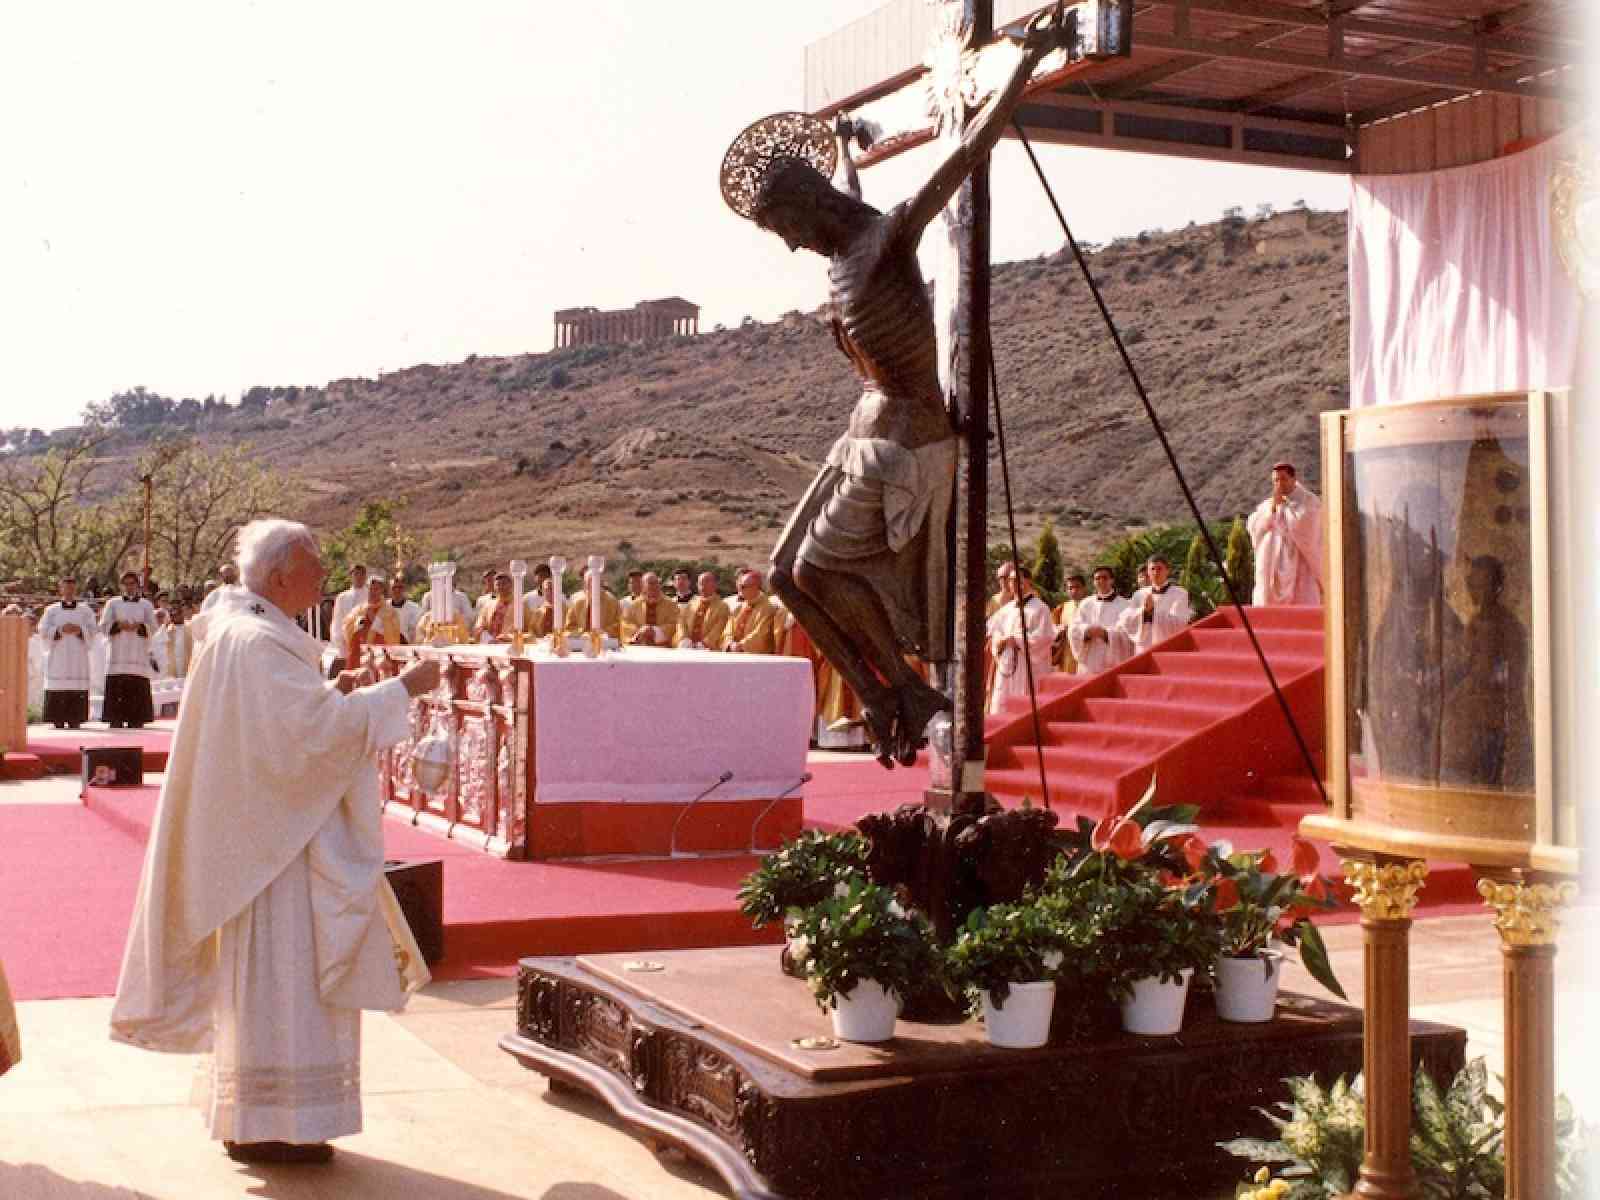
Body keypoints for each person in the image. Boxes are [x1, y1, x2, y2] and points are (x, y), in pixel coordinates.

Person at [736, 8, 1068, 767]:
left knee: (816, 570)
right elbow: (840, 200)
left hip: (906, 437)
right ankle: (889, 695)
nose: (787, 242)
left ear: (810, 205)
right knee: (786, 575)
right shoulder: (840, 254)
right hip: (865, 432)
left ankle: (900, 688)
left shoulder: (885, 238)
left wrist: (1023, 66)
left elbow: (969, 151)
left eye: (785, 223)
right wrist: (851, 151)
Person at [111, 518, 437, 1164]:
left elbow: (292, 727)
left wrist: (334, 694)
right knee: (287, 986)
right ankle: (278, 1124)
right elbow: (308, 738)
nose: (323, 574)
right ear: (282, 574)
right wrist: (402, 689)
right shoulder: (255, 642)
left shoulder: (247, 633)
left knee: (270, 991)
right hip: (276, 858)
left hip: (266, 837)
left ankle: (260, 1117)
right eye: (314, 563)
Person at [1247, 461, 1323, 606]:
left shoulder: (1309, 501)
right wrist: (1274, 508)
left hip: (1300, 559)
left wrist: (1286, 511)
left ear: (1293, 479)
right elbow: (1254, 525)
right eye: (1276, 480)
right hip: (1272, 560)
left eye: (1283, 479)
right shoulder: (1268, 504)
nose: (1279, 483)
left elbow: (1310, 525)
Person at [987, 565, 1055, 714]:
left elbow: (1045, 637)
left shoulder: (1041, 608)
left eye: (1018, 580)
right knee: (1002, 701)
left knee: (1026, 701)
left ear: (1028, 581)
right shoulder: (1005, 610)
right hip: (1007, 662)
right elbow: (995, 633)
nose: (1013, 584)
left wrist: (1017, 640)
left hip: (1028, 664)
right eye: (1011, 580)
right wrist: (1000, 642)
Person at [100, 570, 159, 729]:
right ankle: (115, 717)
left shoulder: (146, 605)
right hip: (118, 652)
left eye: (132, 583)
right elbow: (103, 625)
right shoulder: (112, 603)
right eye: (125, 584)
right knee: (117, 682)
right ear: (121, 586)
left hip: (137, 651)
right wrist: (118, 625)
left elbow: (154, 627)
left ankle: (137, 718)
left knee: (136, 682)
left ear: (137, 585)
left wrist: (140, 626)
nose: (129, 587)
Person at [39, 577, 97, 729]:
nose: (69, 591)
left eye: (72, 588)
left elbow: (93, 630)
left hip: (77, 654)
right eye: (66, 588)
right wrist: (59, 630)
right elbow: (42, 630)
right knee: (58, 684)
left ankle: (75, 718)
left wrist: (80, 630)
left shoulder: (85, 610)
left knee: (76, 684)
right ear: (61, 589)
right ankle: (57, 718)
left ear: (75, 589)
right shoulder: (51, 610)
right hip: (59, 653)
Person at [1118, 555, 1192, 655]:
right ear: (1148, 572)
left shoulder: (1180, 593)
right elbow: (1126, 619)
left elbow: (1179, 623)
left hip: (1167, 647)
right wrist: (1143, 612)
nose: (1156, 572)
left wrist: (1152, 611)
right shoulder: (1138, 594)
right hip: (1143, 647)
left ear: (1167, 571)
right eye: (1152, 569)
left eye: (1159, 569)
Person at [1068, 566, 1132, 675]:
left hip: (1112, 659)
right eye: (1097, 578)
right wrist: (1086, 631)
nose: (1101, 581)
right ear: (1093, 582)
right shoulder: (1085, 603)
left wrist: (1107, 634)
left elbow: (1128, 634)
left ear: (1112, 580)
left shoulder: (1125, 605)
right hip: (1089, 659)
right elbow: (1073, 628)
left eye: (1105, 578)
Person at [341, 576, 402, 664]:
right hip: (359, 655)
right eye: (370, 589)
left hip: (380, 658)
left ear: (382, 591)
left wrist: (375, 620)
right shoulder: (358, 610)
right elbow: (346, 628)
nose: (373, 592)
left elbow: (393, 638)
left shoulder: (390, 612)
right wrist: (358, 623)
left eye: (376, 589)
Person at [725, 570, 782, 654]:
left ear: (755, 587)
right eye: (740, 586)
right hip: (734, 653)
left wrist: (740, 645)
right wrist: (729, 643)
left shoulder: (768, 608)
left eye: (743, 586)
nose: (739, 589)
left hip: (756, 657)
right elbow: (728, 629)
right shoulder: (739, 608)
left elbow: (760, 634)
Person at [621, 572, 679, 647]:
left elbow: (675, 624)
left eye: (657, 583)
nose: (655, 586)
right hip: (641, 647)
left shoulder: (671, 604)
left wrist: (655, 631)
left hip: (663, 648)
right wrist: (640, 631)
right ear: (643, 586)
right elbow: (626, 624)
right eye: (651, 583)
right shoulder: (634, 605)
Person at [563, 568, 623, 639]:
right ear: (585, 585)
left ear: (601, 584)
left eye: (595, 583)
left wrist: (604, 632)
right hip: (582, 643)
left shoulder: (612, 602)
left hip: (605, 643)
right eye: (589, 584)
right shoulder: (578, 603)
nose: (592, 587)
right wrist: (582, 633)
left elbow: (620, 625)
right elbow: (569, 627)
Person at [676, 571, 730, 650]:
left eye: (707, 582)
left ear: (715, 585)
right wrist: (684, 638)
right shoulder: (691, 603)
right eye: (700, 583)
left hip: (708, 649)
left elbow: (719, 628)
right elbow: (681, 621)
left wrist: (704, 643)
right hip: (687, 647)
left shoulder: (722, 606)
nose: (703, 586)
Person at [1051, 573, 1087, 674]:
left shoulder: (1091, 605)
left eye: (1077, 587)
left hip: (1085, 652)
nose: (1074, 591)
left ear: (1084, 588)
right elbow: (1051, 629)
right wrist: (1060, 629)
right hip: (1066, 652)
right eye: (1070, 588)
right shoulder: (1061, 608)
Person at [329, 564, 369, 640]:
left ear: (365, 576)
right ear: (351, 576)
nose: (359, 577)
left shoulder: (372, 597)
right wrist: (338, 638)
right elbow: (337, 621)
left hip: (366, 640)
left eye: (362, 574)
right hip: (345, 640)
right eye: (356, 574)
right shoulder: (342, 597)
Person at [389, 576, 422, 644]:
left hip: (406, 648)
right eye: (394, 587)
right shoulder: (383, 607)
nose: (397, 590)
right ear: (390, 589)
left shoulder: (415, 608)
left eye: (400, 587)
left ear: (405, 589)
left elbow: (416, 632)